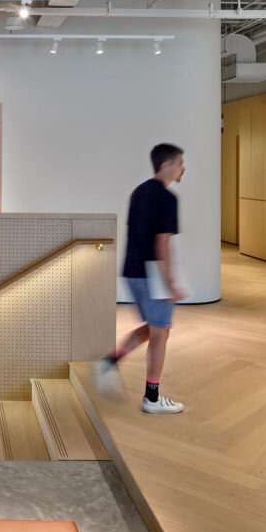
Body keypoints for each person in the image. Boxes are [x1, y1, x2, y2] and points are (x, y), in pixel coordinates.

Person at [96, 143, 186, 413]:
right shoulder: (167, 199)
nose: (183, 168)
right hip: (151, 275)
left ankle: (111, 362)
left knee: (153, 327)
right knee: (161, 334)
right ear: (166, 165)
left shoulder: (139, 192)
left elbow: (131, 231)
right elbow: (161, 245)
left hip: (131, 270)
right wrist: (169, 283)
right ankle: (153, 398)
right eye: (180, 162)